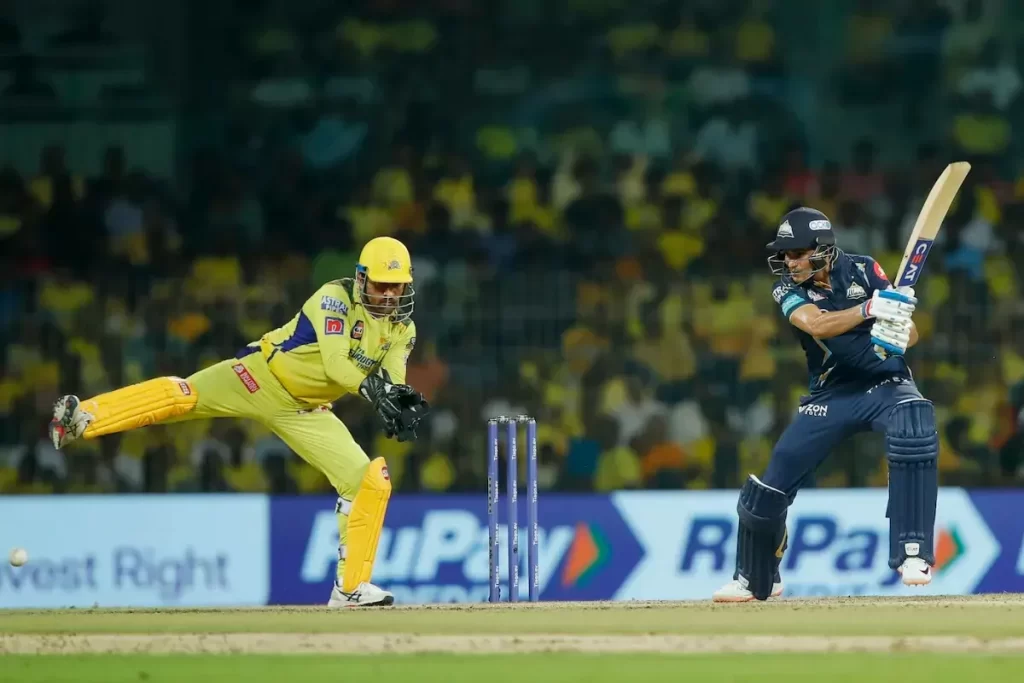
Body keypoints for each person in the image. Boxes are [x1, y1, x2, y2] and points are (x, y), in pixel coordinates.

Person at [48, 236, 429, 607]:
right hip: (258, 377)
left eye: (397, 287)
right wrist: (374, 392)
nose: (389, 295)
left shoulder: (402, 329)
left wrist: (397, 400)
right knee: (184, 395)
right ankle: (84, 416)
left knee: (367, 481)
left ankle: (350, 589)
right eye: (382, 285)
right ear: (361, 278)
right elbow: (334, 364)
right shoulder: (335, 298)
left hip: (306, 410)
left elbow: (392, 381)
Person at [713, 207, 935, 602]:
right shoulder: (786, 289)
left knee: (913, 420)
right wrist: (869, 309)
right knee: (772, 483)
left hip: (885, 383)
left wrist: (900, 330)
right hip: (832, 394)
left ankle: (912, 552)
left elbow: (911, 332)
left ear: (824, 249)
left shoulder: (865, 269)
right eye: (785, 255)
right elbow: (816, 324)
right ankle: (755, 577)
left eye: (798, 253)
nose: (790, 262)